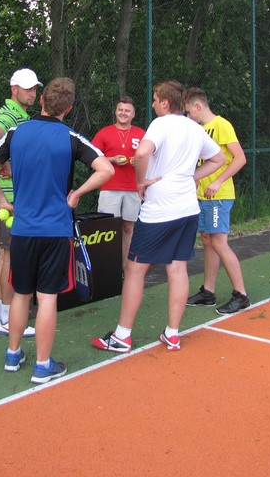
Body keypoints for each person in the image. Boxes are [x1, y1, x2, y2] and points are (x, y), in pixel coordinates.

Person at [0, 77, 114, 383]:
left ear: (41, 101)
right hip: (55, 230)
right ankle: (42, 365)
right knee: (47, 297)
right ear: (69, 108)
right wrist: (77, 194)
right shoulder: (71, 137)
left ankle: (13, 355)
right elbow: (107, 169)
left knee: (21, 293)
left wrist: (2, 200)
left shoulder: (16, 132)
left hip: (23, 230)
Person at [92, 80, 225, 353]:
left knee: (134, 270)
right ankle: (172, 334)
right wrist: (190, 178)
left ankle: (122, 336)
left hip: (159, 210)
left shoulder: (161, 124)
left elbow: (141, 152)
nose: (153, 104)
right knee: (177, 268)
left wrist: (141, 181)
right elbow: (219, 159)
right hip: (187, 209)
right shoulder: (194, 127)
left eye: (155, 100)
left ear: (165, 102)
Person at [0, 68, 41, 337]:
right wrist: (4, 163)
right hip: (11, 198)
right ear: (13, 90)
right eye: (27, 88)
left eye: (34, 88)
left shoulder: (19, 114)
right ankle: (7, 318)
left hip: (9, 196)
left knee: (5, 255)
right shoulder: (10, 114)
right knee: (11, 256)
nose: (32, 93)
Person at [183, 88, 250, 314]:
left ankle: (241, 294)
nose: (188, 116)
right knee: (207, 240)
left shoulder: (221, 125)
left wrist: (218, 181)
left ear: (198, 106)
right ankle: (208, 292)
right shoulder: (200, 129)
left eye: (189, 111)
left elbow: (240, 158)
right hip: (203, 195)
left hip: (218, 196)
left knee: (219, 242)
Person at [90, 97, 146, 270]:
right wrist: (112, 159)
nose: (123, 113)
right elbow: (92, 158)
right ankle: (107, 268)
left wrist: (140, 162)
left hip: (132, 187)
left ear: (133, 114)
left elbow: (151, 158)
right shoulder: (104, 133)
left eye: (127, 110)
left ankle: (124, 268)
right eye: (120, 110)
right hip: (109, 187)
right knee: (107, 229)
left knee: (128, 227)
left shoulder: (141, 134)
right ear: (116, 112)